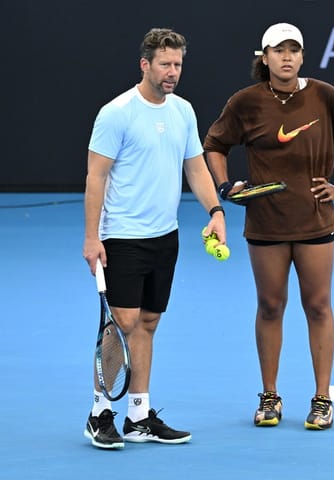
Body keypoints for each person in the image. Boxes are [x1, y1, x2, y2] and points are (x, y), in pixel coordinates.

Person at [203, 22, 334, 430]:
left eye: (293, 50)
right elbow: (214, 144)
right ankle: (269, 397)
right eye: (277, 51)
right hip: (265, 222)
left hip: (316, 219)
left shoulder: (325, 95)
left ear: (301, 56)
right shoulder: (246, 102)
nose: (286, 57)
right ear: (263, 59)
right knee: (270, 306)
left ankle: (322, 399)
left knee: (317, 305)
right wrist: (227, 186)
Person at [82, 27, 226, 449]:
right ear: (145, 65)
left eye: (178, 64)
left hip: (166, 236)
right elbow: (96, 176)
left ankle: (139, 415)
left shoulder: (182, 111)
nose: (172, 72)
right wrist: (92, 238)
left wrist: (215, 211)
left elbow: (196, 168)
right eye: (165, 63)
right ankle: (99, 413)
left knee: (148, 322)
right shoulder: (117, 112)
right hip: (122, 235)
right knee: (121, 324)